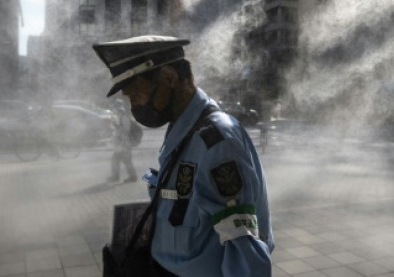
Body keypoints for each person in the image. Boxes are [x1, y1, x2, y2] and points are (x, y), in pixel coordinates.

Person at [94, 35, 273, 276]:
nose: (133, 106)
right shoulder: (182, 128)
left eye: (136, 94)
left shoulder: (217, 139)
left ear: (169, 77)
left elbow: (245, 248)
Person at [109, 98, 138, 183]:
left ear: (119, 108)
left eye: (116, 108)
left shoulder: (124, 117)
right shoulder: (120, 116)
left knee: (127, 160)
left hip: (124, 143)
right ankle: (115, 176)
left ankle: (133, 177)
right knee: (115, 159)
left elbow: (126, 130)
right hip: (121, 143)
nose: (115, 110)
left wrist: (118, 130)